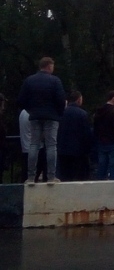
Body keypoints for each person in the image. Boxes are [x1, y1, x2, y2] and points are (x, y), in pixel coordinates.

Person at [18, 57, 66, 185]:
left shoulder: (29, 80)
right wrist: (58, 113)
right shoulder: (55, 81)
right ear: (49, 66)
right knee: (51, 145)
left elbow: (21, 100)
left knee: (33, 145)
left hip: (35, 116)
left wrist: (31, 110)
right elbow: (61, 100)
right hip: (51, 117)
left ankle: (30, 177)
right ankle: (51, 176)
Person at [56, 90, 92, 181]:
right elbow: (86, 133)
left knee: (64, 176)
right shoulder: (82, 114)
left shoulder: (61, 113)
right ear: (78, 100)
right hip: (78, 151)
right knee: (78, 177)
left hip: (62, 149)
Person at [94, 90, 114, 180]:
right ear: (113, 98)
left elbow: (95, 127)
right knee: (113, 166)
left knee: (102, 166)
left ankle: (100, 182)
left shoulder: (99, 111)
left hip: (101, 142)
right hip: (113, 142)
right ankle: (113, 184)